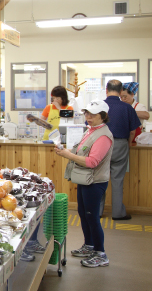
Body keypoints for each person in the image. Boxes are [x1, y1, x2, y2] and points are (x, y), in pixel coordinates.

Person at [55, 99, 113, 268]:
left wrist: (68, 155)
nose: (88, 117)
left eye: (93, 115)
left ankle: (100, 253)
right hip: (85, 179)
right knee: (83, 213)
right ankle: (89, 245)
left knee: (92, 217)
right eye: (87, 113)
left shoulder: (103, 135)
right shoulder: (91, 130)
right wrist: (65, 150)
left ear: (102, 116)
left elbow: (92, 162)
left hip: (95, 182)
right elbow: (81, 151)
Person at [101, 80, 140, 220]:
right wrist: (127, 144)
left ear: (106, 90)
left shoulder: (99, 106)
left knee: (100, 178)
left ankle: (98, 211)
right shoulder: (127, 107)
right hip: (120, 144)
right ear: (120, 92)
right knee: (118, 180)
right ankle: (118, 213)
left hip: (101, 145)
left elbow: (89, 126)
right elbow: (132, 131)